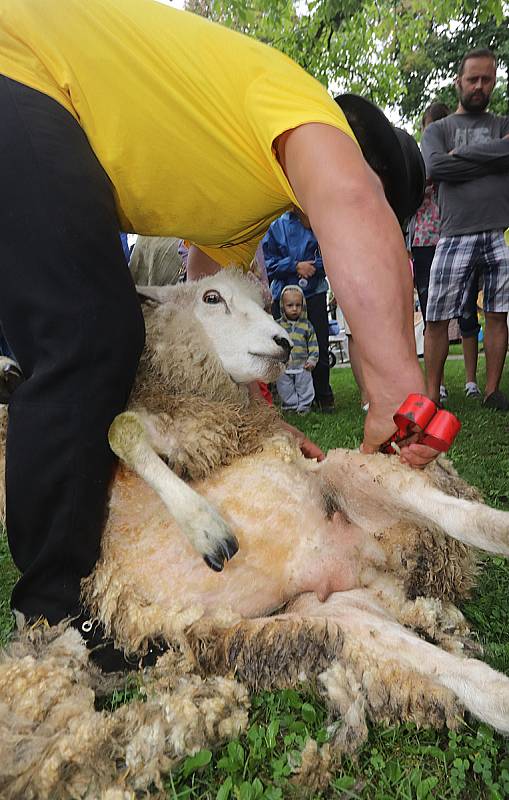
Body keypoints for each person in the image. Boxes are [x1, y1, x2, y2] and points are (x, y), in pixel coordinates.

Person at [0, 0, 433, 671]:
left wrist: (253, 424)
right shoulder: (303, 111)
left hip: (40, 94)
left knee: (97, 329)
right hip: (19, 68)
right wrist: (397, 398)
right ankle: (55, 614)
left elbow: (207, 318)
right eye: (376, 203)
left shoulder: (245, 196)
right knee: (87, 333)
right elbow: (351, 205)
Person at [421, 48, 509, 410]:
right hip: (453, 233)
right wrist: (493, 158)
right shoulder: (440, 129)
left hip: (497, 231)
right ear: (458, 81)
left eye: (486, 79)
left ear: (493, 82)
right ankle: (431, 395)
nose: (479, 85)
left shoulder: (503, 123)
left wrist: (460, 159)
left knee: (497, 312)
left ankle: (491, 392)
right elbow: (435, 167)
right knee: (437, 314)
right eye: (472, 78)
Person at [410, 101, 482, 402]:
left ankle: (470, 381)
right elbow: (414, 190)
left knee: (467, 311)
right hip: (426, 242)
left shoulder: (464, 152)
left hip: (460, 234)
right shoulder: (418, 157)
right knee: (432, 314)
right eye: (431, 128)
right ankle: (435, 386)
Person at [263, 210, 335, 412]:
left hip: (314, 293)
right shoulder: (276, 225)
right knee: (285, 347)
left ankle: (322, 396)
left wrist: (313, 267)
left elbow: (332, 254)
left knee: (318, 343)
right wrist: (294, 266)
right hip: (284, 295)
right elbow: (267, 264)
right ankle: (289, 399)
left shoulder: (318, 219)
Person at [275, 285, 319, 413]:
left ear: (303, 305)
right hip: (284, 366)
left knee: (305, 387)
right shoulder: (278, 326)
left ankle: (304, 407)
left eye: (298, 305)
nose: (294, 309)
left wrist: (312, 360)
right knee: (285, 387)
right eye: (290, 305)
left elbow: (313, 344)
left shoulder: (306, 325)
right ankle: (290, 407)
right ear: (283, 306)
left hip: (303, 366)